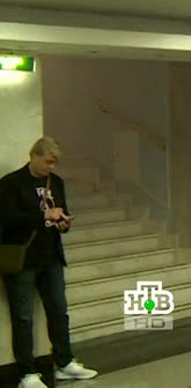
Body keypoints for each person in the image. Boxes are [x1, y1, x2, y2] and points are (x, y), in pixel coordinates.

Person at [0, 137, 98, 388]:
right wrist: (43, 214)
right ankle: (27, 373)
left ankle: (64, 362)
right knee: (23, 317)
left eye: (54, 163)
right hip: (23, 260)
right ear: (34, 156)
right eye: (47, 162)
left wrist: (63, 223)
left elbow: (61, 212)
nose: (51, 167)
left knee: (58, 311)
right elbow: (8, 220)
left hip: (51, 257)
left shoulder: (56, 182)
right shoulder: (11, 183)